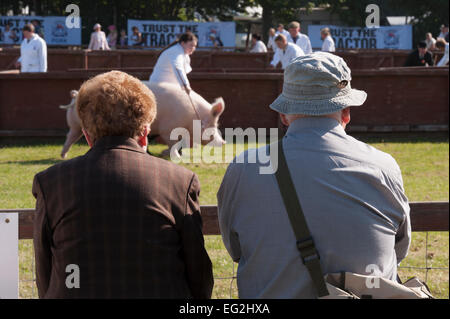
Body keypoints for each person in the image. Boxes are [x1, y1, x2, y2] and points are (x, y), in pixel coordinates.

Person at [217, 52, 411, 298]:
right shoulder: (384, 167)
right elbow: (399, 249)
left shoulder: (243, 168)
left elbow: (235, 249)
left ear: (284, 115)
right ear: (346, 113)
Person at [32, 70, 214, 298]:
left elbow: (44, 267)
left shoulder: (50, 182)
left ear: (87, 135)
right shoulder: (179, 181)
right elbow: (197, 269)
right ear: (145, 133)